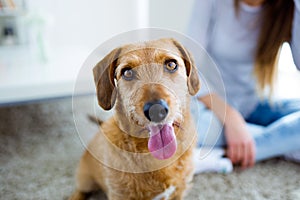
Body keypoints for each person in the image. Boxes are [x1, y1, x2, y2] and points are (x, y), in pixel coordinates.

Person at [187, 0, 300, 169]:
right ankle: (282, 142)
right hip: (211, 106)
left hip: (256, 104)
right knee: (184, 126)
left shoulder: (288, 7)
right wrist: (231, 118)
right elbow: (186, 67)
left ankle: (225, 153)